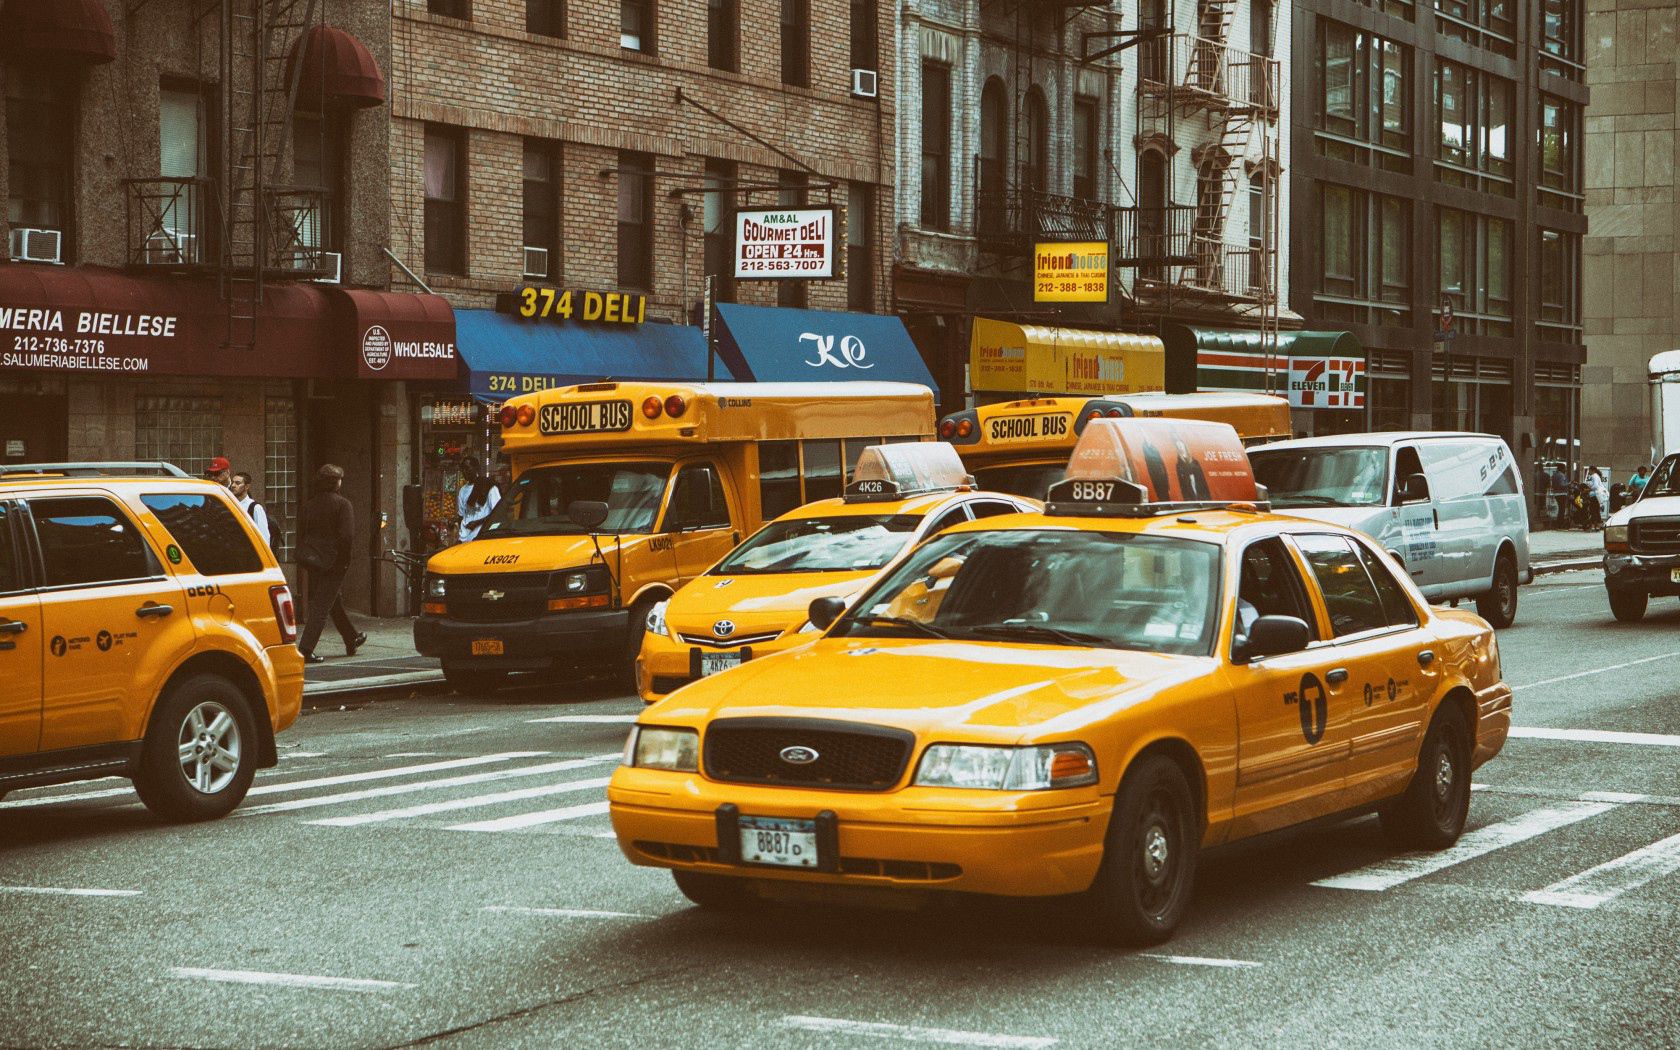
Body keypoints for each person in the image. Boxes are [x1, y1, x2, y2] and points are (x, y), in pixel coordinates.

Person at [296, 464, 365, 663]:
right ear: (336, 483)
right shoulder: (343, 505)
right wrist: (343, 560)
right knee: (321, 606)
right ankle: (306, 649)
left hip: (313, 560)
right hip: (334, 561)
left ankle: (351, 637)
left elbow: (303, 532)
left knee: (331, 600)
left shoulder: (309, 504)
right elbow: (347, 536)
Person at [456, 454, 501, 544]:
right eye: (463, 469)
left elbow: (498, 513)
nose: (464, 472)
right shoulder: (462, 491)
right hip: (464, 539)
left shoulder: (489, 487)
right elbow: (462, 515)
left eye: (467, 468)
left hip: (482, 538)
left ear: (476, 468)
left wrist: (477, 523)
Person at [229, 470, 273, 548]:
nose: (233, 485)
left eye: (237, 483)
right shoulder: (230, 505)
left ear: (247, 487)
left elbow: (264, 537)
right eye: (233, 482)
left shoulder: (255, 508)